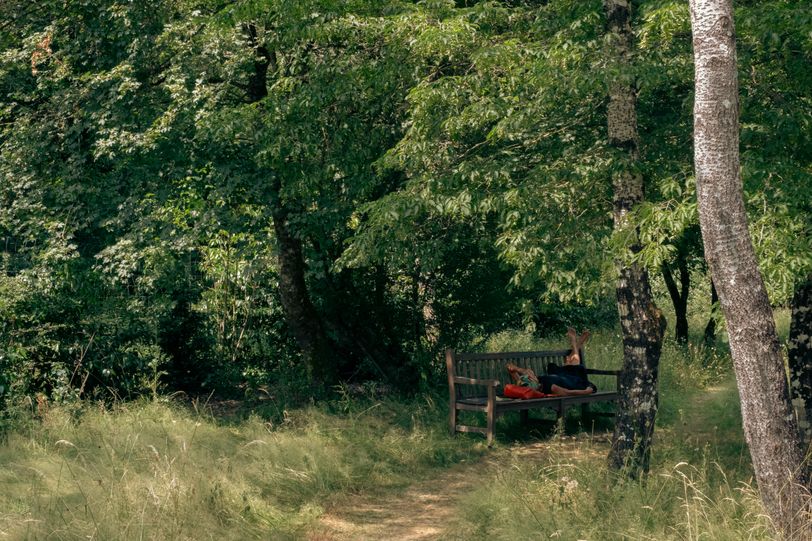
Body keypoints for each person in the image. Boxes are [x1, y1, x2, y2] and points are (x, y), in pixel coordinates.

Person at [505, 328, 596, 396]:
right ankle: (575, 343)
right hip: (573, 382)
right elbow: (567, 393)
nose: (531, 374)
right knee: (573, 367)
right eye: (531, 377)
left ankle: (577, 343)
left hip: (560, 376)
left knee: (568, 363)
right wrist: (586, 391)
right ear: (534, 383)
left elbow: (514, 369)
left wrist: (517, 369)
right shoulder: (549, 387)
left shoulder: (526, 383)